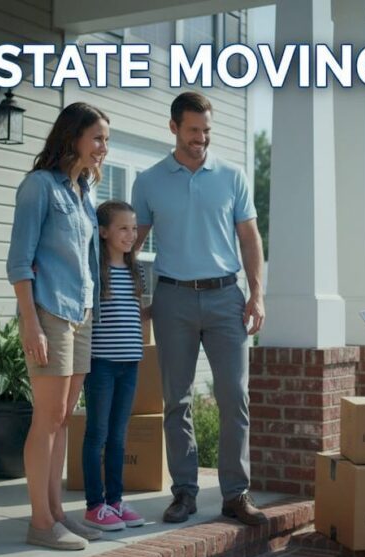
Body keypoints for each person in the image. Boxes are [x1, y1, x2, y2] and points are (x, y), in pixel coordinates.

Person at [132, 91, 267, 526]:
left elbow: (249, 239)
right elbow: (129, 245)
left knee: (235, 397)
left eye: (206, 131)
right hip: (172, 298)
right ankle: (185, 493)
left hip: (227, 296)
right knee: (177, 400)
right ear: (174, 128)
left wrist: (257, 294)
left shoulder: (231, 175)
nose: (201, 139)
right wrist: (134, 299)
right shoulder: (149, 180)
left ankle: (235, 494)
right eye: (193, 130)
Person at [6, 102, 111, 550]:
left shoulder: (82, 192)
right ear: (73, 138)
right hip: (49, 312)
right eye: (99, 138)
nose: (104, 147)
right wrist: (31, 325)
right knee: (46, 419)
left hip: (82, 312)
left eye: (106, 140)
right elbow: (19, 262)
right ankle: (39, 522)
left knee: (64, 418)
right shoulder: (39, 188)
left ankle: (56, 514)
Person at [81, 200, 149, 532]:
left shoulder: (138, 271)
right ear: (104, 232)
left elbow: (139, 315)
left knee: (119, 436)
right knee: (98, 434)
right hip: (101, 364)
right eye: (123, 228)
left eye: (134, 228)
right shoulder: (94, 271)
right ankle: (95, 506)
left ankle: (116, 501)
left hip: (130, 364)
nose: (131, 234)